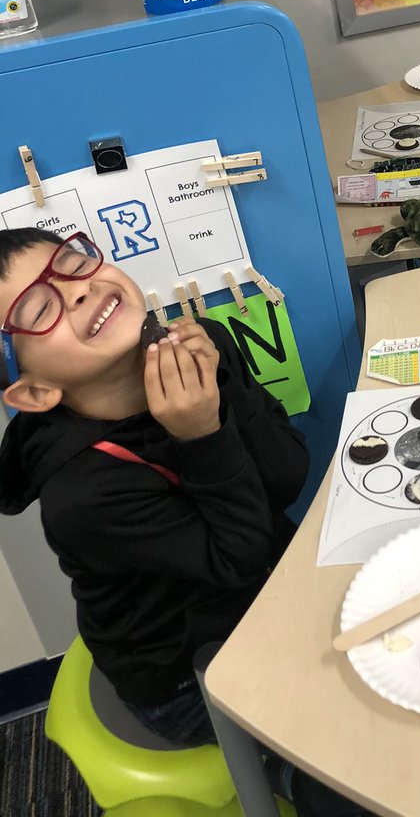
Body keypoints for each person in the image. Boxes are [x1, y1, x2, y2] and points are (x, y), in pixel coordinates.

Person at [0, 226, 369, 817]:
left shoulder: (202, 342)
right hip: (187, 673)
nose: (75, 292)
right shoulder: (84, 496)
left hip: (266, 591)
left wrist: (219, 385)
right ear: (38, 392)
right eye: (39, 309)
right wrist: (202, 435)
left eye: (71, 263)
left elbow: (286, 476)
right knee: (357, 769)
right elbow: (235, 559)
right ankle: (285, 772)